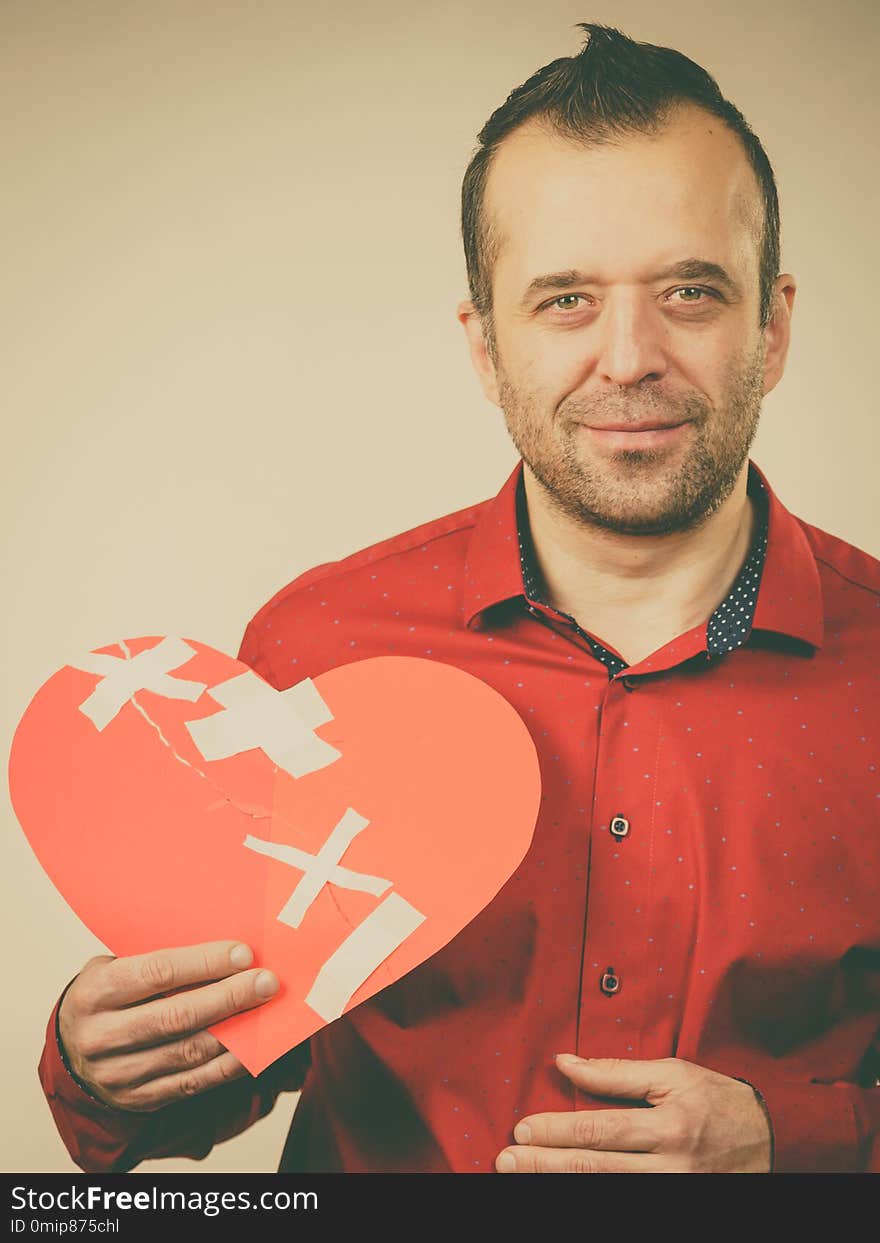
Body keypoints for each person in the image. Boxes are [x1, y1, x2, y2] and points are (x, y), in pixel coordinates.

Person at [39, 23, 879, 1174]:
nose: (629, 356)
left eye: (689, 290)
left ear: (771, 326)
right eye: (565, 300)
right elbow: (233, 1063)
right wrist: (106, 1071)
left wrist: (800, 1147)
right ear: (485, 348)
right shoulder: (317, 648)